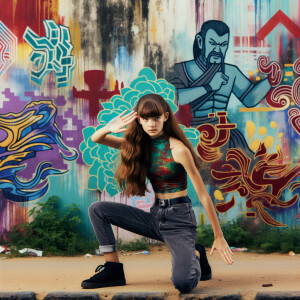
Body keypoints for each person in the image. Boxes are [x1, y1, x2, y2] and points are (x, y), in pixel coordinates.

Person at [81, 94, 233, 293]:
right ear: (139, 120)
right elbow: (97, 138)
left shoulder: (178, 149)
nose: (151, 124)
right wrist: (109, 128)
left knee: (183, 284)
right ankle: (113, 269)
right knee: (98, 209)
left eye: (156, 118)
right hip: (155, 217)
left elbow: (203, 194)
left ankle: (196, 254)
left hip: (179, 221)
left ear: (166, 117)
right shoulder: (139, 146)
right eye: (145, 119)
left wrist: (218, 235)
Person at [169, 20, 271, 157]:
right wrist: (209, 87)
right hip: (191, 134)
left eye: (223, 45)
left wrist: (270, 81)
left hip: (224, 133)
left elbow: (250, 99)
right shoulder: (181, 69)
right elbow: (175, 100)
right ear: (200, 42)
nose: (218, 50)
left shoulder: (231, 71)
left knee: (248, 166)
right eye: (212, 43)